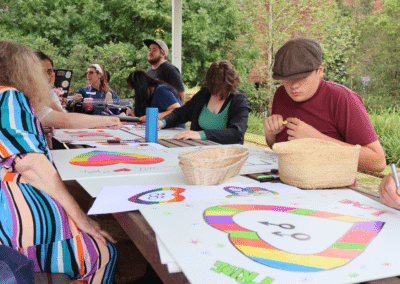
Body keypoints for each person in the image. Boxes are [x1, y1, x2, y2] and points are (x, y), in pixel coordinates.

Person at [0, 40, 118, 283]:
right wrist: (81, 218)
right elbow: (31, 164)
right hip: (17, 225)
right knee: (103, 250)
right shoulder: (9, 96)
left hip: (8, 217)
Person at [263, 37, 386, 173]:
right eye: (286, 78)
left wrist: (317, 140)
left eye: (302, 77)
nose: (294, 85)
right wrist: (271, 135)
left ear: (320, 70)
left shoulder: (343, 99)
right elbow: (277, 147)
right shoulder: (281, 94)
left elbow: (378, 162)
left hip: (332, 189)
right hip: (289, 182)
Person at [159, 60, 252, 144]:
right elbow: (181, 113)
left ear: (232, 85)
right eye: (215, 91)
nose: (219, 95)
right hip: (199, 150)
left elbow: (236, 133)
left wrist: (201, 134)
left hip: (228, 155)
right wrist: (163, 122)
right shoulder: (204, 94)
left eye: (224, 91)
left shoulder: (239, 100)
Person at [35, 51, 122, 130]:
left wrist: (110, 105)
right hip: (85, 125)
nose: (88, 75)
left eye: (91, 73)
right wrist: (74, 102)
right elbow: (67, 113)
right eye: (87, 73)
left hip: (102, 127)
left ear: (100, 75)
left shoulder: (111, 93)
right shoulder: (83, 91)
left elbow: (118, 112)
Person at [144, 39, 186, 103]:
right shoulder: (149, 72)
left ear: (163, 54)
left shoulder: (170, 69)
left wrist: (179, 112)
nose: (150, 52)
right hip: (153, 112)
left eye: (154, 50)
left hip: (169, 112)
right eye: (150, 50)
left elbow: (181, 94)